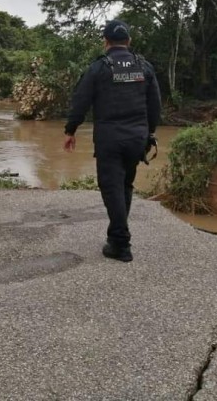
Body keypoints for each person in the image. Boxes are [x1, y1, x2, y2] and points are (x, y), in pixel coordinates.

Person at [63, 19, 162, 263]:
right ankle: (116, 237)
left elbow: (81, 101)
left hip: (110, 138)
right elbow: (155, 105)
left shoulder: (99, 68)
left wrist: (70, 130)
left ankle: (120, 241)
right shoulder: (144, 66)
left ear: (106, 42)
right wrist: (149, 133)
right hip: (137, 138)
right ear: (128, 41)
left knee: (111, 187)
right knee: (125, 185)